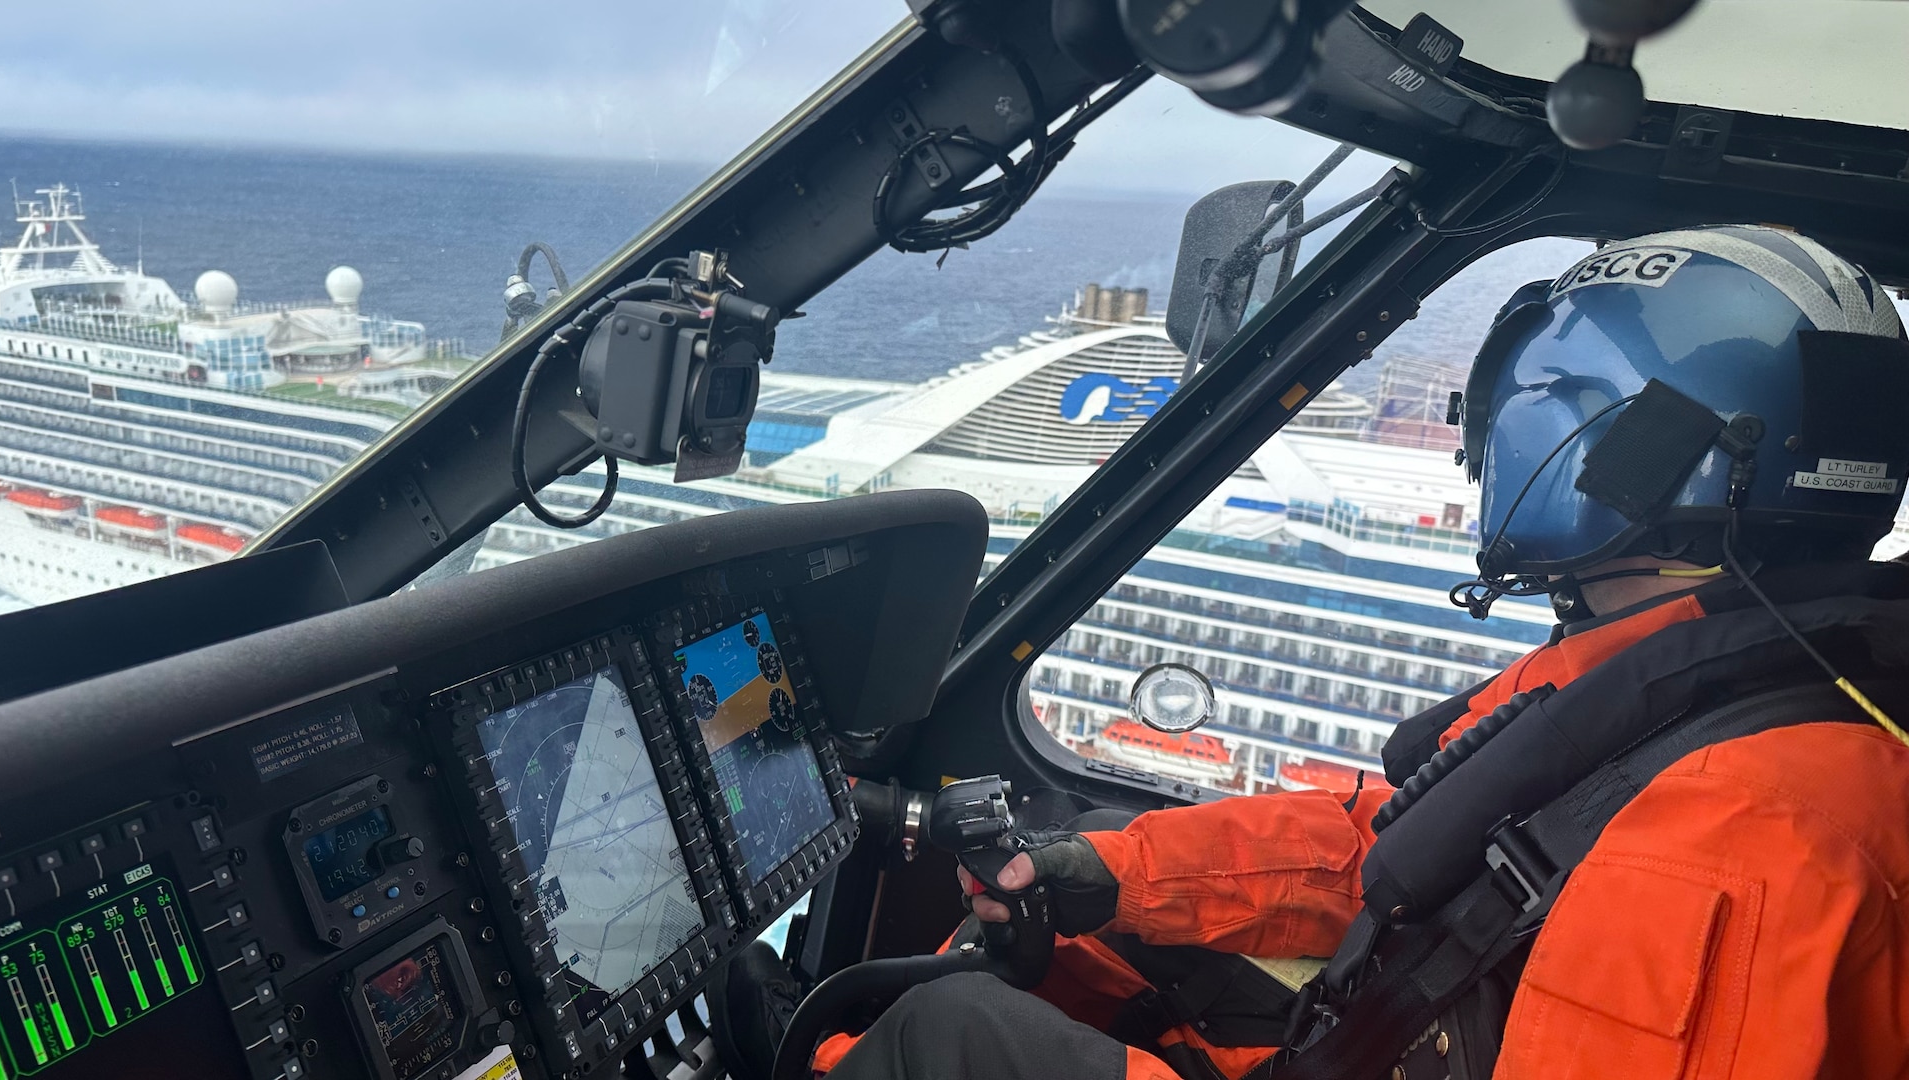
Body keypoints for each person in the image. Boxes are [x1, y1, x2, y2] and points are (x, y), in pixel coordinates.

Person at [741, 225, 1909, 1080]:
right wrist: (1120, 872)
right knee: (1069, 963)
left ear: (1605, 435)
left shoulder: (1732, 837)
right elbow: (1410, 851)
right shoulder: (1703, 675)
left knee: (935, 1037)